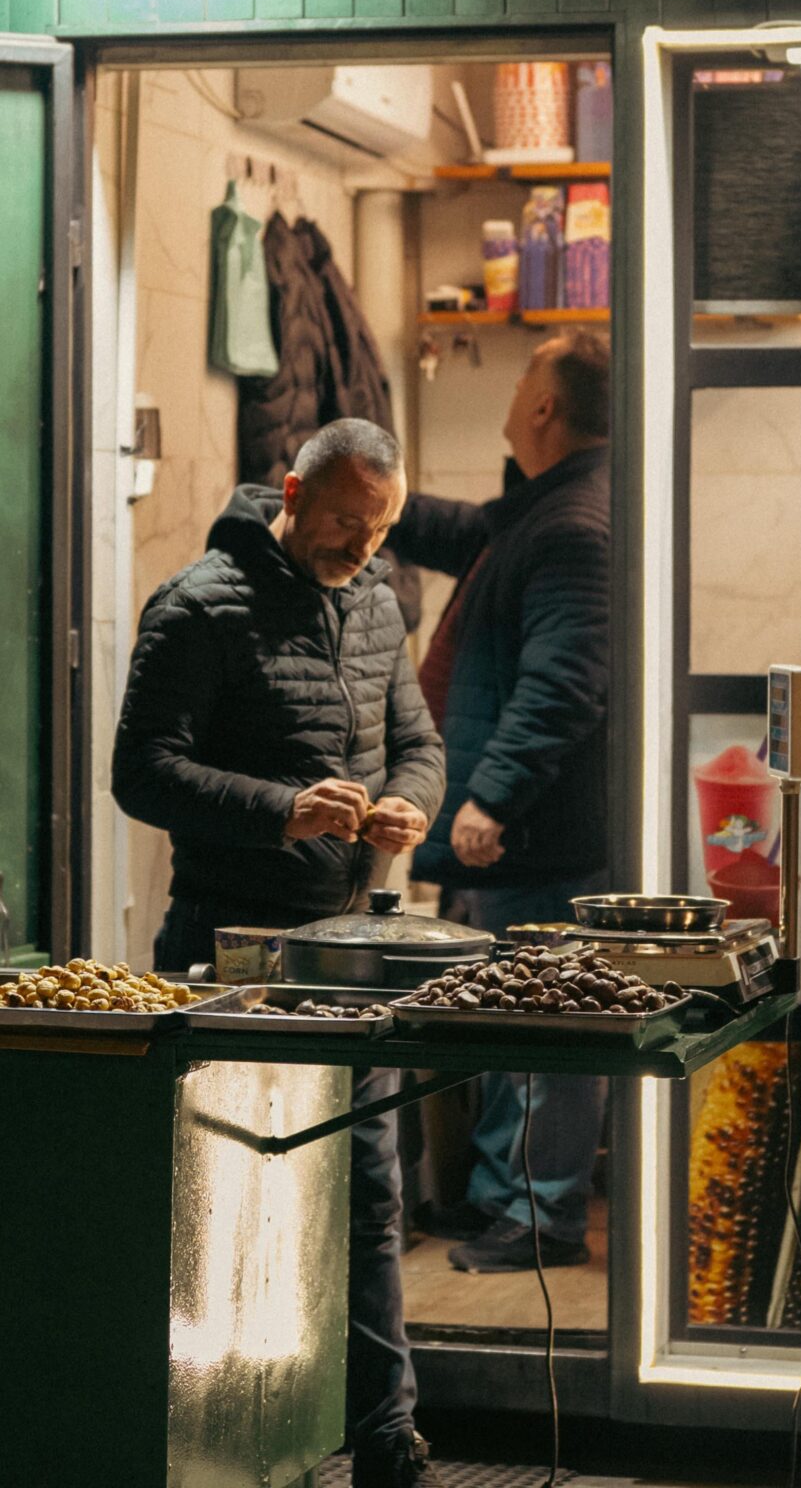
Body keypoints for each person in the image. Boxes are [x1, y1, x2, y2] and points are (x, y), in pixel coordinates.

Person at [112, 418, 447, 1488]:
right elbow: (141, 772)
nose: (362, 546)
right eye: (346, 521)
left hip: (348, 955)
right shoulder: (198, 605)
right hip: (227, 953)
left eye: (380, 528)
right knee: (222, 1196)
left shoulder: (378, 602)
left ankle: (386, 1436)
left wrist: (410, 802)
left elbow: (419, 743)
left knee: (369, 1193)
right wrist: (281, 810)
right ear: (291, 493)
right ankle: (214, 1445)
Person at [388, 330, 611, 1274]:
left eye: (525, 373)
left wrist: (491, 799)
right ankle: (501, 1201)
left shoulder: (572, 527)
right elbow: (465, 531)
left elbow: (564, 683)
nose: (515, 388)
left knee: (545, 1024)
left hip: (539, 837)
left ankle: (538, 1216)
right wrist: (373, 495)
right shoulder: (546, 508)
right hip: (529, 836)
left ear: (546, 405)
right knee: (515, 1015)